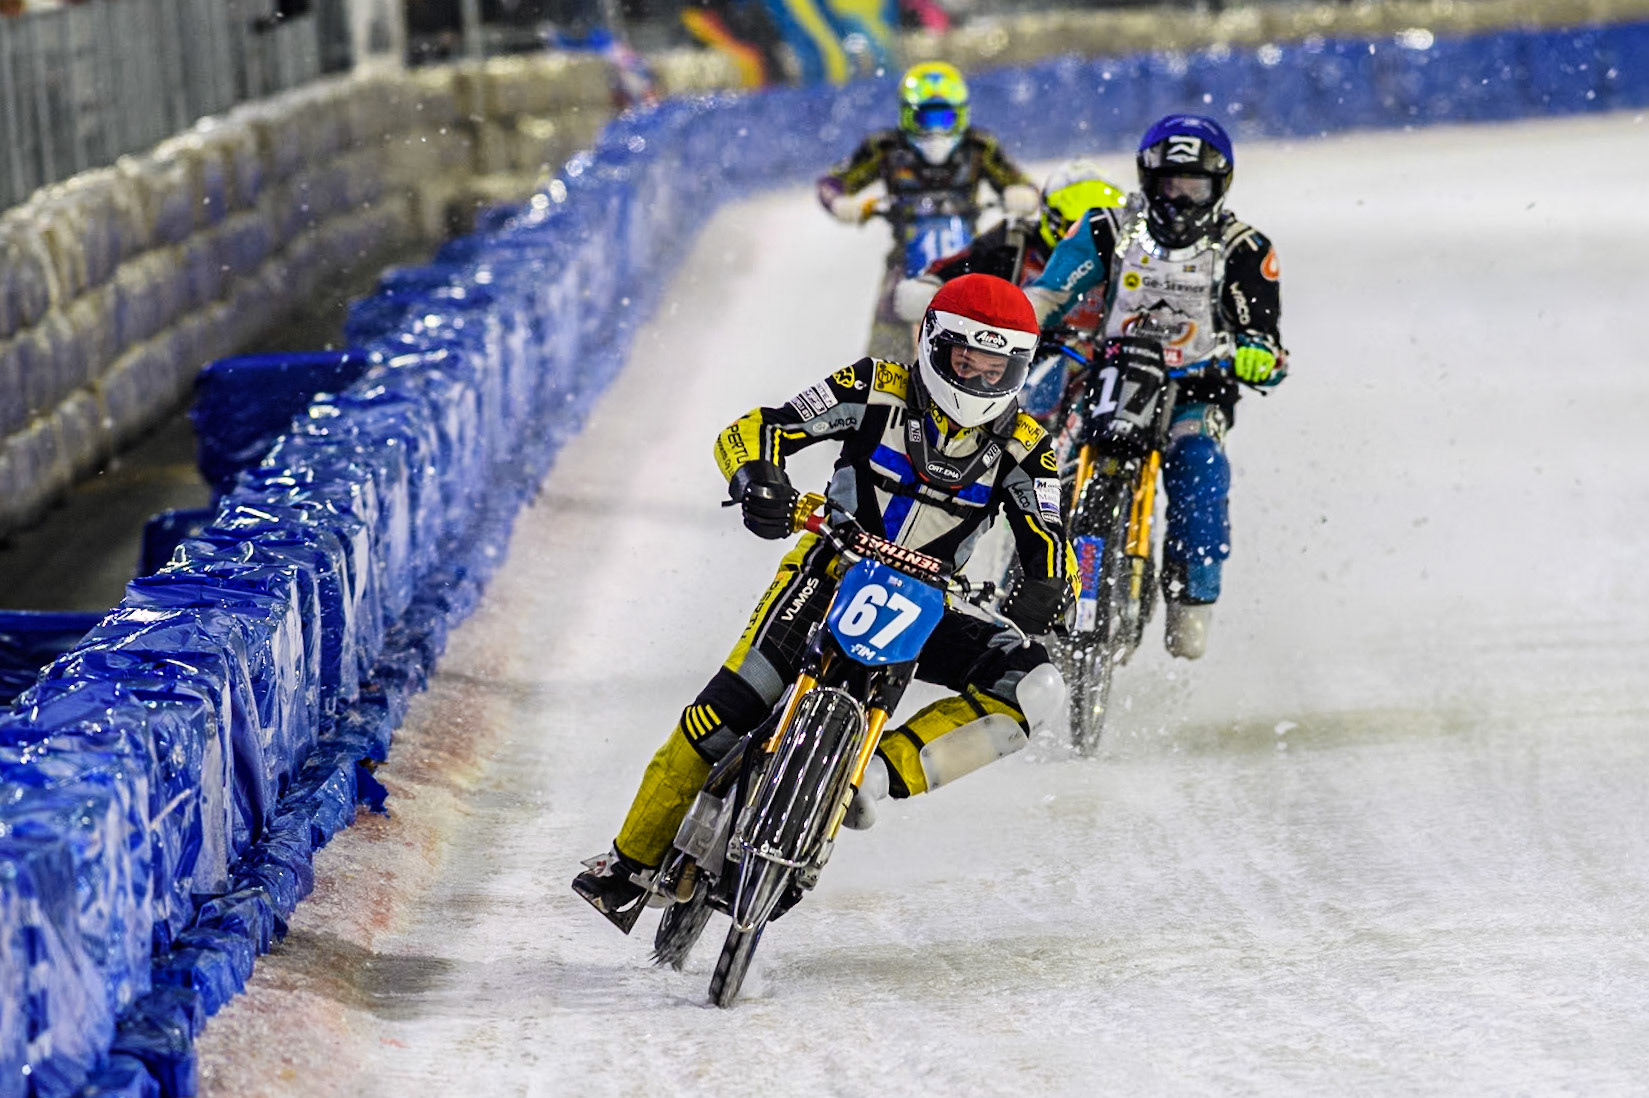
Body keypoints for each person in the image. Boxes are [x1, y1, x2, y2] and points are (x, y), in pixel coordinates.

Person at [574, 274, 1076, 932]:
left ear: (1017, 368)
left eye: (995, 367)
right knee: (717, 719)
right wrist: (758, 479)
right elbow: (756, 430)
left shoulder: (1030, 448)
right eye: (965, 361)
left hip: (930, 603)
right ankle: (628, 866)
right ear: (931, 344)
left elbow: (1050, 537)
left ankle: (877, 775)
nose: (978, 380)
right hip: (826, 571)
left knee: (1036, 687)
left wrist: (1047, 589)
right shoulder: (871, 384)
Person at [1023, 113, 1285, 661]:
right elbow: (1050, 292)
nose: (1182, 202)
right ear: (1148, 180)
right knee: (1038, 463)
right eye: (1171, 186)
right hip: (1107, 376)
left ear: (1220, 186)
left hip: (1197, 390)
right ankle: (1022, 585)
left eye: (1196, 189)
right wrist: (1025, 317)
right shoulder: (1106, 230)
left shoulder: (1245, 250)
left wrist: (1258, 357)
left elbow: (1265, 338)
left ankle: (1193, 601)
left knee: (1200, 471)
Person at [817, 62, 1039, 362]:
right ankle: (883, 382)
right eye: (925, 117)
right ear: (906, 115)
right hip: (903, 258)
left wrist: (1021, 195)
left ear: (961, 116)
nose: (935, 129)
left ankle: (1014, 374)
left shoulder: (979, 147)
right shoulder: (884, 148)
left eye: (945, 117)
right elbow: (832, 183)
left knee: (1002, 314)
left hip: (970, 255)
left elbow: (1022, 184)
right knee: (888, 328)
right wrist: (842, 204)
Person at [893, 158, 1127, 426]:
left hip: (1096, 362)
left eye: (1093, 233)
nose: (1082, 240)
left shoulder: (1123, 256)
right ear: (1051, 219)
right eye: (1071, 228)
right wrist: (932, 286)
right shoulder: (1012, 244)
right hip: (1008, 358)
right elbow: (960, 265)